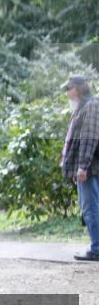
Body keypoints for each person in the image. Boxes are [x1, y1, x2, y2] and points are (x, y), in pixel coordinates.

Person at [60, 75, 99, 262]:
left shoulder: (90, 106)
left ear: (77, 89)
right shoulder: (85, 106)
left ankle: (97, 248)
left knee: (91, 208)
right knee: (92, 207)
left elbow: (89, 137)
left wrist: (82, 167)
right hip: (91, 167)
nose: (66, 93)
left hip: (91, 169)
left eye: (68, 89)